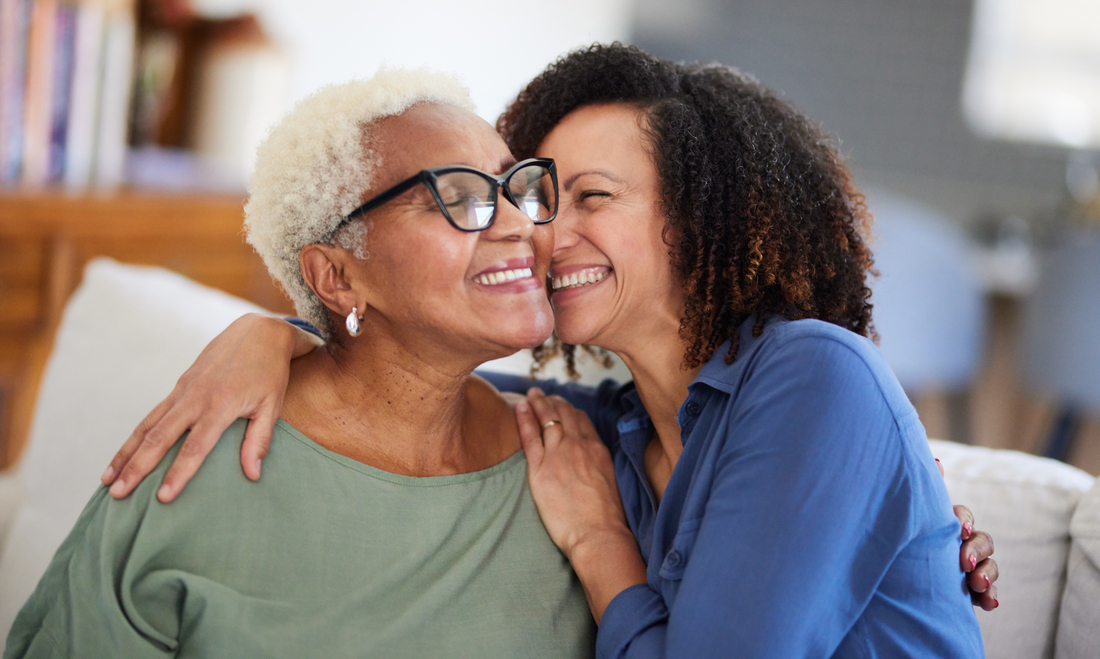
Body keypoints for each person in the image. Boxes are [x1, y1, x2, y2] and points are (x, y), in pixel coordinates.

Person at [101, 45, 997, 657]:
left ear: (700, 217)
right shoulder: (597, 427)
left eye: (594, 196)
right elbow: (405, 370)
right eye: (536, 197)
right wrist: (273, 335)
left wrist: (603, 541)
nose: (540, 232)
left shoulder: (813, 375)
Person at [5, 70, 597, 658]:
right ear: (336, 276)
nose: (523, 225)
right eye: (461, 198)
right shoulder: (193, 466)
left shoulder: (571, 459)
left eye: (516, 189)